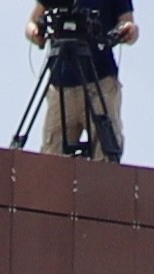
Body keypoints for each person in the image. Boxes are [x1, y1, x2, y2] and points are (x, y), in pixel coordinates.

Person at [25, 0, 133, 161]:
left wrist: (126, 31)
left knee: (106, 155)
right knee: (51, 158)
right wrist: (35, 33)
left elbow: (127, 22)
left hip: (100, 82)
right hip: (61, 86)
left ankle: (101, 186)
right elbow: (33, 21)